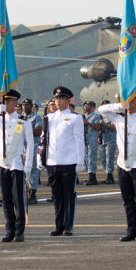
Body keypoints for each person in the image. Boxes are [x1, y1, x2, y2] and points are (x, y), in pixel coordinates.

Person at [0, 91, 35, 242]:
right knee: (6, 199)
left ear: (15, 103)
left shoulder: (23, 121)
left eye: (9, 101)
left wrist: (28, 164)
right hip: (3, 164)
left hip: (16, 164)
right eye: (4, 101)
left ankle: (19, 230)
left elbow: (30, 144)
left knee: (18, 200)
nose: (6, 104)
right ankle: (9, 229)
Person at [99, 93, 136, 241]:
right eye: (127, 100)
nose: (129, 102)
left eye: (132, 100)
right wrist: (120, 106)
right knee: (127, 200)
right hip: (122, 164)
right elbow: (102, 110)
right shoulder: (119, 117)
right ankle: (131, 230)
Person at [41, 87, 85, 236]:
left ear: (68, 100)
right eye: (56, 99)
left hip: (69, 161)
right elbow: (44, 140)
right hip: (53, 161)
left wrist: (80, 161)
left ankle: (68, 225)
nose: (58, 102)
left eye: (61, 99)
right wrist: (41, 158)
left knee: (69, 195)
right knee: (57, 196)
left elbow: (80, 141)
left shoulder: (75, 118)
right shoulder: (49, 118)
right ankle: (58, 225)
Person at [20, 98, 43, 203]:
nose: (25, 107)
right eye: (23, 105)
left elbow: (38, 131)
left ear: (31, 106)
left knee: (32, 169)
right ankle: (27, 190)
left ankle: (33, 193)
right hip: (22, 147)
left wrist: (25, 129)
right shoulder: (20, 118)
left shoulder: (37, 117)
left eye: (27, 105)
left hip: (33, 146)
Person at [98, 99, 117, 184]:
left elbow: (114, 127)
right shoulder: (100, 116)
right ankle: (107, 173)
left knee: (109, 158)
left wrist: (104, 124)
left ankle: (110, 175)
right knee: (102, 158)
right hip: (102, 139)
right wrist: (99, 137)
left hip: (110, 139)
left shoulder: (113, 116)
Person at [82, 101, 101, 184]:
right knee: (86, 158)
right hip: (85, 140)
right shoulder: (83, 116)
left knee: (91, 158)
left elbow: (97, 127)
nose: (86, 107)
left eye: (88, 105)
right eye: (85, 105)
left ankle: (93, 177)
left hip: (92, 139)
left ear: (91, 107)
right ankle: (90, 175)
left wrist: (88, 123)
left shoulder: (95, 116)